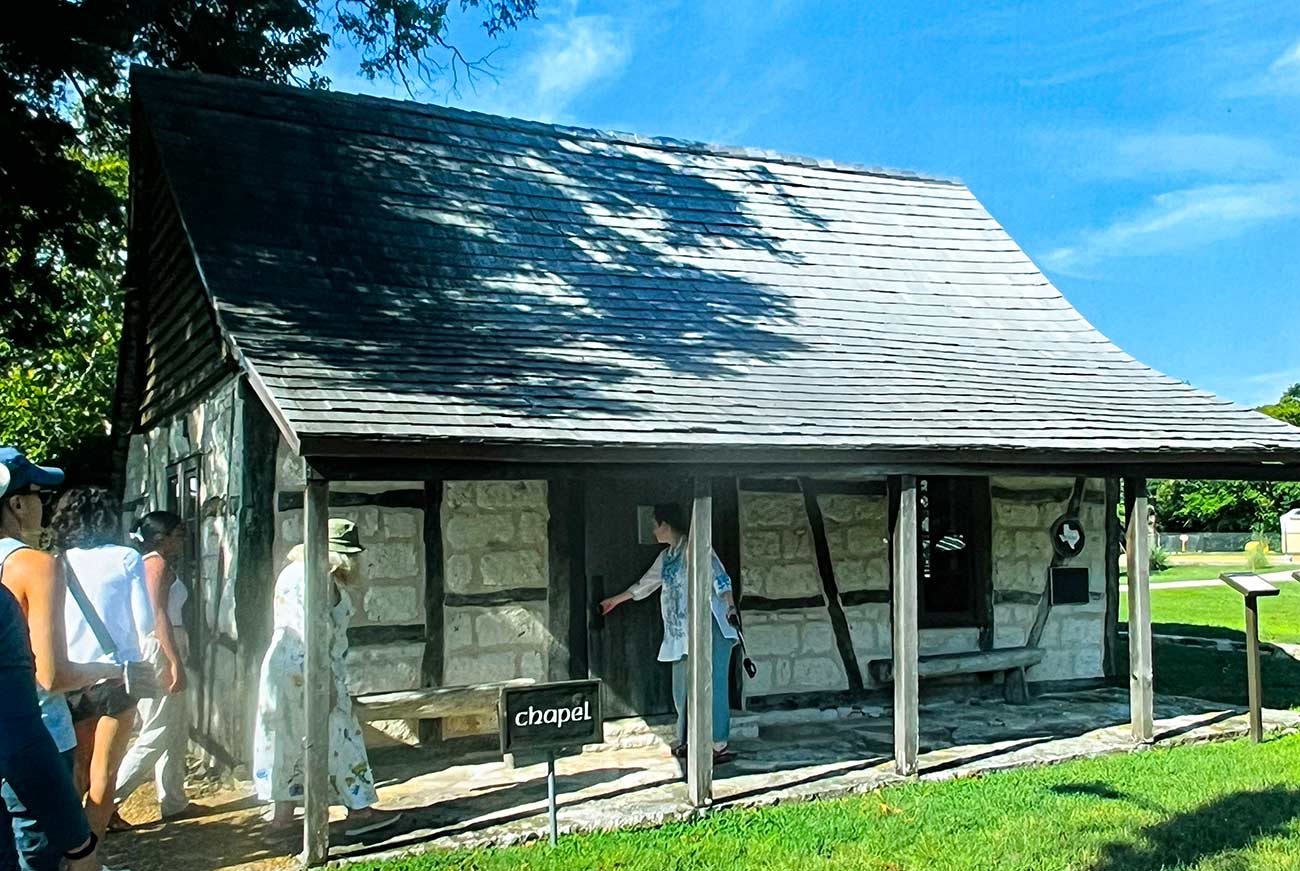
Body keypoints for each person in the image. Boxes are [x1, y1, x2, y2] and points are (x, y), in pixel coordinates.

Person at [0, 452, 113, 871]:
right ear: (16, 504)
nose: (44, 505)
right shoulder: (36, 565)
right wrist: (108, 671)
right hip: (35, 741)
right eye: (39, 494)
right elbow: (51, 674)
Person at [252, 520, 400, 837]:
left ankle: (282, 817)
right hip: (308, 667)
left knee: (287, 737)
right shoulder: (310, 579)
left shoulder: (309, 575)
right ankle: (359, 810)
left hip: (289, 668)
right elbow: (310, 632)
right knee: (340, 733)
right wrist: (324, 680)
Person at [599, 503, 740, 763]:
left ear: (666, 524)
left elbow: (720, 578)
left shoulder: (696, 547)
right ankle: (688, 738)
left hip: (710, 626)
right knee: (682, 687)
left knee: (713, 685)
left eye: (655, 525)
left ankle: (718, 744)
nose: (653, 531)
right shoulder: (667, 556)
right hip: (681, 631)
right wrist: (615, 600)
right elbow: (646, 584)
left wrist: (730, 607)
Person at [50, 488, 152, 846]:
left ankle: (69, 850)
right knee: (104, 773)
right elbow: (146, 621)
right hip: (115, 676)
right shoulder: (127, 557)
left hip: (69, 674)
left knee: (76, 770)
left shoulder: (56, 561)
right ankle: (91, 857)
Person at [111, 512, 191, 827]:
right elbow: (158, 616)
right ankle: (107, 801)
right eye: (179, 534)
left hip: (164, 644)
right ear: (163, 537)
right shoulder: (154, 564)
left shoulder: (154, 563)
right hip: (161, 647)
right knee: (157, 730)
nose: (183, 540)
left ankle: (174, 801)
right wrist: (174, 662)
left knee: (174, 727)